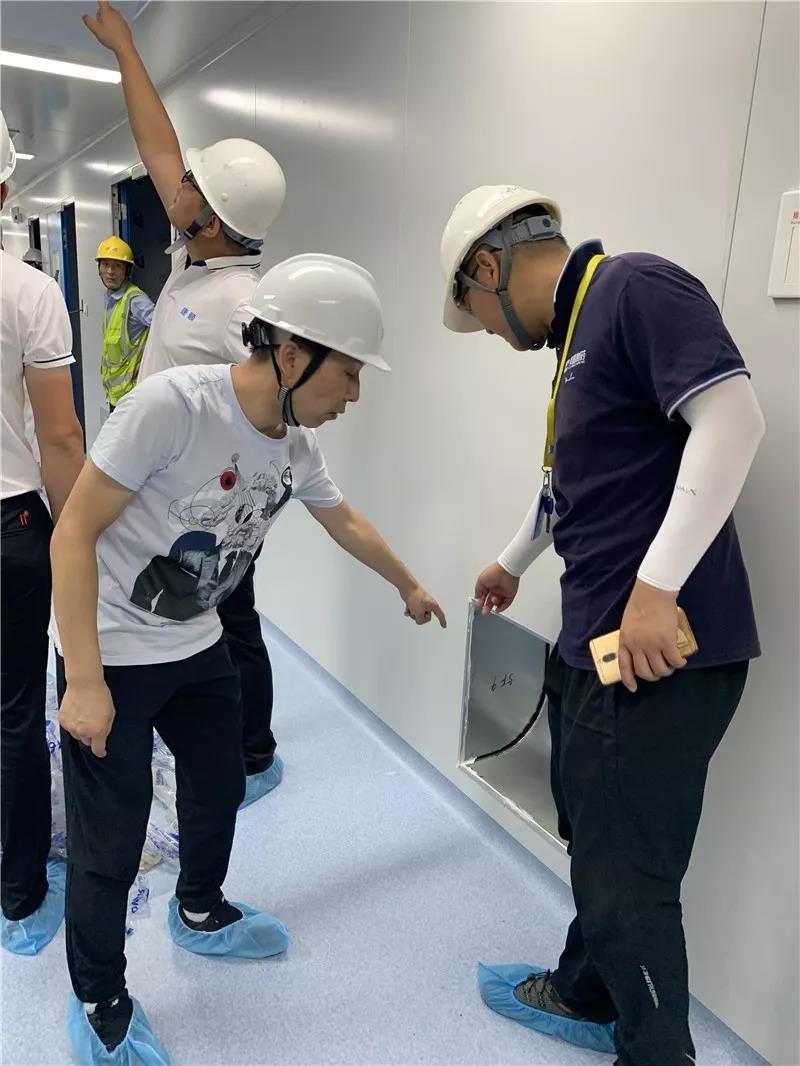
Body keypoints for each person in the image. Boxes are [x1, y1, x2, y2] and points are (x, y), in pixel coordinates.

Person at [51, 252, 446, 1063]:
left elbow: (345, 520)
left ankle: (199, 908)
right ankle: (98, 995)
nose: (355, 394)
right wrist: (84, 680)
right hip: (114, 647)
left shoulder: (294, 444)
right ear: (292, 355)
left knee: (219, 784)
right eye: (349, 372)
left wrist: (407, 583)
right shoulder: (173, 407)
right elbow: (74, 533)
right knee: (111, 837)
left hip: (196, 643)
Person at [439, 184, 765, 1066]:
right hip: (598, 644)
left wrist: (657, 588)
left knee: (628, 876)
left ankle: (657, 1052)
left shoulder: (634, 288)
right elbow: (568, 485)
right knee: (597, 835)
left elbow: (733, 419)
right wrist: (512, 560)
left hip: (658, 655)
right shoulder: (577, 337)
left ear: (488, 266)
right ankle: (586, 991)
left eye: (478, 313)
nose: (492, 333)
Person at [84, 1, 289, 811]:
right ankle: (225, 740)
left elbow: (276, 407)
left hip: (214, 502)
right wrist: (127, 51)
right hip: (171, 491)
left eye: (193, 185)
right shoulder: (196, 260)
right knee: (210, 620)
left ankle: (254, 755)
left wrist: (236, 503)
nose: (178, 182)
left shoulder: (247, 302)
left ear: (211, 218)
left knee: (232, 621)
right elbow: (159, 144)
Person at [0, 109, 85, 956]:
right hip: (9, 519)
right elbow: (59, 438)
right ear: (5, 186)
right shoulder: (27, 291)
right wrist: (79, 538)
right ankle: (19, 891)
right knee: (15, 712)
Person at [95, 236, 155, 411]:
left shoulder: (135, 300)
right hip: (116, 395)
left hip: (132, 396)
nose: (110, 271)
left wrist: (150, 363)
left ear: (127, 271)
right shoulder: (110, 299)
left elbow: (164, 327)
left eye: (117, 266)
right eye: (105, 265)